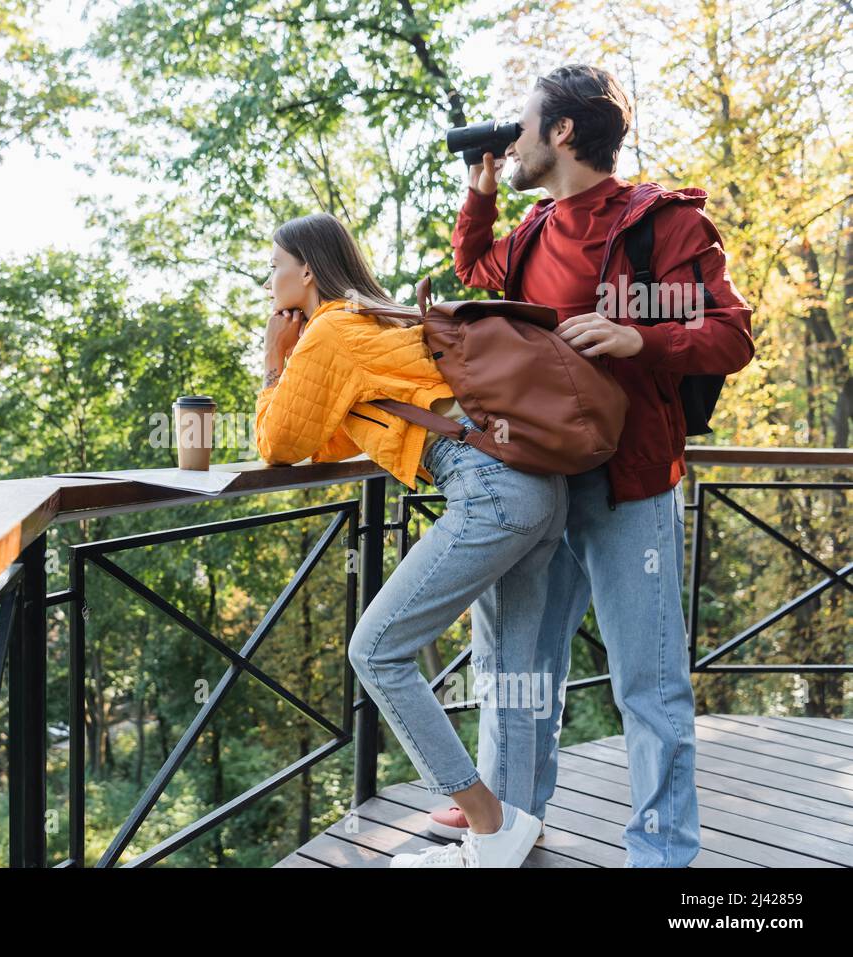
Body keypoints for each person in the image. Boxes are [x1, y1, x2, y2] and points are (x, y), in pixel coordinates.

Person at [439, 63, 754, 867]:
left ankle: (662, 853)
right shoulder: (534, 230)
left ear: (563, 131)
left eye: (523, 121)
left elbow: (731, 332)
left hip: (630, 488)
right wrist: (481, 193)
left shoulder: (662, 223)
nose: (513, 136)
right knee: (520, 674)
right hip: (535, 484)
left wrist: (637, 336)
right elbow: (474, 269)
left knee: (647, 683)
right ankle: (511, 824)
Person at [254, 210, 565, 867]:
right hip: (537, 486)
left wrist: (274, 363)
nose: (268, 278)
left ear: (306, 269)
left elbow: (279, 444)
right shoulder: (375, 318)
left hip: (489, 489)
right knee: (509, 675)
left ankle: (489, 823)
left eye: (274, 265)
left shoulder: (330, 330)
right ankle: (506, 837)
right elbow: (330, 437)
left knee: (376, 651)